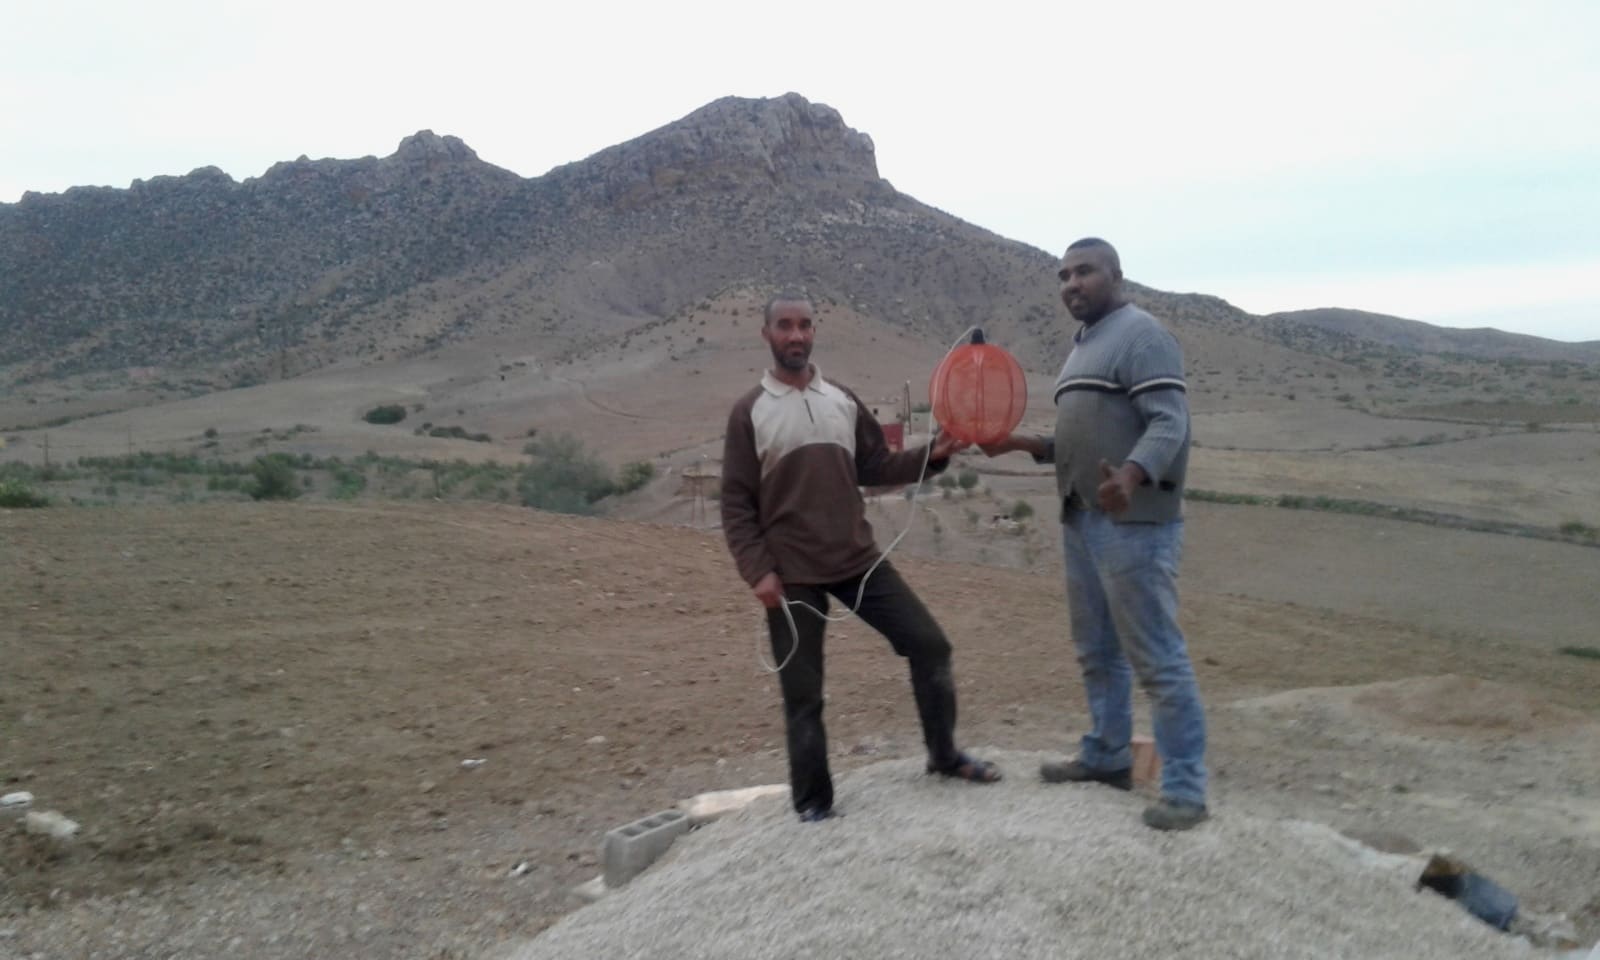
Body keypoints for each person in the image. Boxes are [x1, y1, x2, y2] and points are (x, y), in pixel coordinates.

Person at [721, 291, 1002, 822]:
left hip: (859, 560)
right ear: (767, 335)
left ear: (813, 332)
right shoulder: (748, 412)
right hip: (791, 574)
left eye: (805, 325)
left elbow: (875, 465)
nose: (797, 335)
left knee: (931, 646)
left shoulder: (842, 400)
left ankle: (943, 758)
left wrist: (931, 457)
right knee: (803, 693)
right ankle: (813, 806)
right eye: (785, 325)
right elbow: (736, 503)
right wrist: (757, 570)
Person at [981, 238, 1209, 831]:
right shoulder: (1082, 347)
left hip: (1133, 523)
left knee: (1156, 655)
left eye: (1084, 272)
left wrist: (1131, 476)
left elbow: (1170, 421)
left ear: (1116, 275)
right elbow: (1080, 442)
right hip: (1082, 517)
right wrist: (1022, 444)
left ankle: (1186, 788)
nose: (1071, 284)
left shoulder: (1143, 335)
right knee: (1097, 651)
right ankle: (1106, 755)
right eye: (1063, 276)